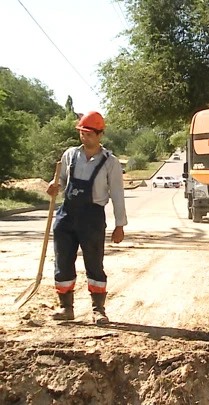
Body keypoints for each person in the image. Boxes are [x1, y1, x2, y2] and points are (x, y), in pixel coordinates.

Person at [46, 111, 127, 324]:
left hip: (92, 218)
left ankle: (98, 310)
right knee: (62, 261)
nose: (85, 137)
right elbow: (61, 181)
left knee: (94, 263)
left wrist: (120, 225)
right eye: (82, 132)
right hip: (66, 215)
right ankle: (66, 308)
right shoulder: (70, 155)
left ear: (100, 134)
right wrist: (54, 187)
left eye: (89, 133)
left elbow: (117, 194)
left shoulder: (111, 162)